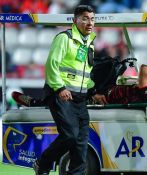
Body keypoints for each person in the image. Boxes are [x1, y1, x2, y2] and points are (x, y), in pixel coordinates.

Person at [30, 5, 101, 175]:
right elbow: (51, 65)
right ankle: (43, 163)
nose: (89, 23)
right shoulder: (64, 38)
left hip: (80, 99)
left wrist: (93, 91)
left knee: (80, 143)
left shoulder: (88, 43)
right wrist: (60, 87)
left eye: (92, 19)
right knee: (69, 135)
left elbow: (83, 74)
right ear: (75, 20)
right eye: (85, 18)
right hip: (62, 95)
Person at [12, 64, 147, 107]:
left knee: (67, 94)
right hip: (107, 89)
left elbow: (144, 69)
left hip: (102, 99)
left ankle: (35, 103)